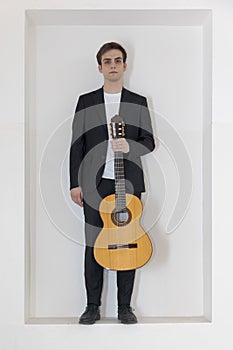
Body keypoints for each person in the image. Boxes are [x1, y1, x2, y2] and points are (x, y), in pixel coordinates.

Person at [69, 42, 156, 324]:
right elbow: (76, 145)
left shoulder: (138, 101)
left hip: (128, 185)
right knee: (94, 244)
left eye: (118, 60)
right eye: (108, 61)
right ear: (100, 67)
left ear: (125, 65)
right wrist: (74, 183)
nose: (113, 65)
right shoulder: (86, 101)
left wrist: (129, 146)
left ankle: (124, 308)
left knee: (128, 242)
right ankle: (92, 306)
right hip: (93, 185)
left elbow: (149, 142)